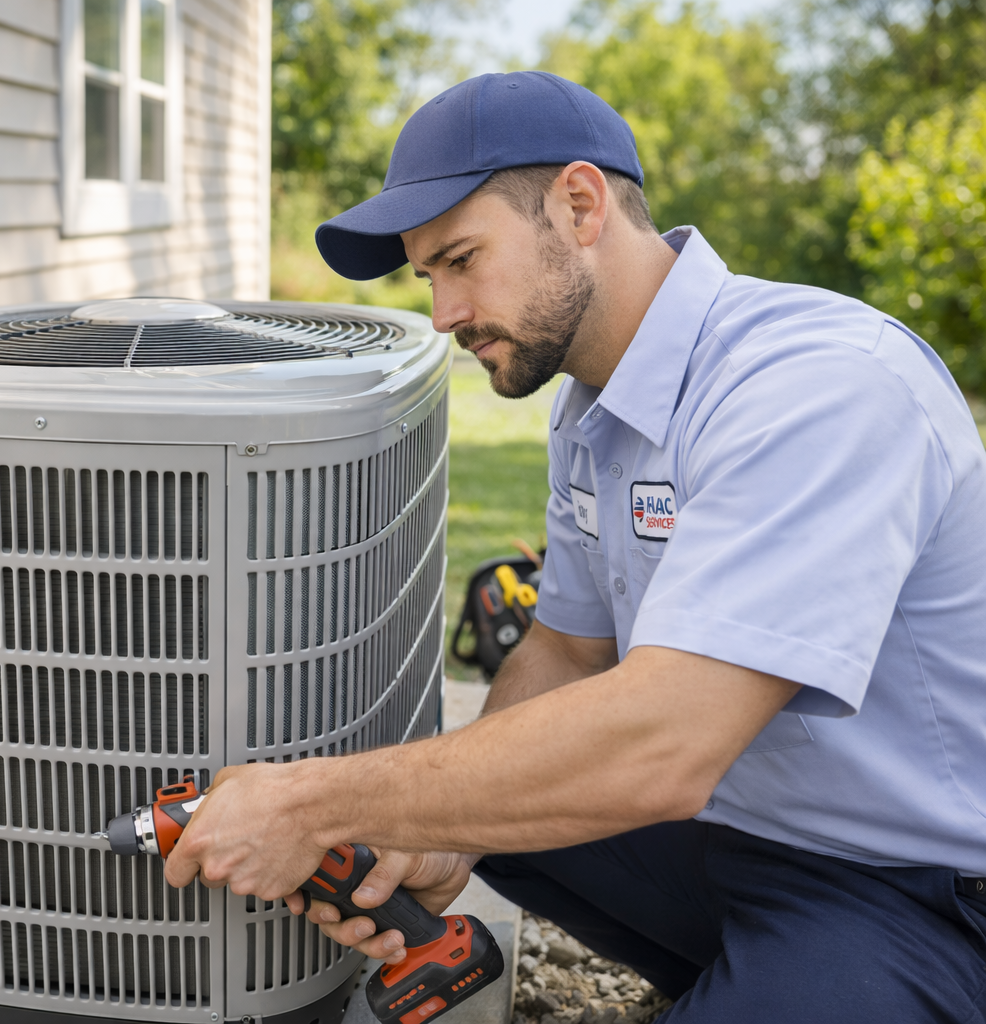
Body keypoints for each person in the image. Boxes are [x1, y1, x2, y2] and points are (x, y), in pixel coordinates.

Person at [163, 71, 986, 1021]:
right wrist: (445, 839)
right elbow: (564, 649)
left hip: (918, 887)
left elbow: (667, 742)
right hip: (743, 836)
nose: (442, 314)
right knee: (466, 792)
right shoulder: (591, 410)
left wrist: (314, 803)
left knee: (453, 785)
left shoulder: (816, 387)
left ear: (581, 205)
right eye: (429, 275)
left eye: (462, 259)